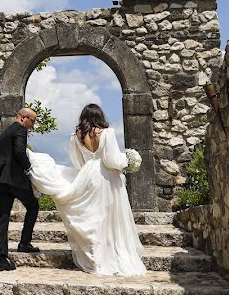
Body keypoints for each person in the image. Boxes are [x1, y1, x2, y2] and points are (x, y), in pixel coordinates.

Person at [27, 103, 146, 276]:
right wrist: (126, 161)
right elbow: (112, 160)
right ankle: (110, 254)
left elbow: (77, 161)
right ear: (100, 115)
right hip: (107, 176)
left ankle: (94, 256)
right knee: (109, 217)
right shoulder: (107, 133)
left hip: (87, 174)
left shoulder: (76, 136)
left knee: (93, 215)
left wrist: (86, 172)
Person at [0, 107, 40, 271]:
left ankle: (1, 258)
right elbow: (19, 151)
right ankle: (24, 243)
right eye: (32, 121)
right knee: (33, 206)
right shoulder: (20, 130)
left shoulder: (6, 131)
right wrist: (28, 168)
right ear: (24, 118)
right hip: (14, 180)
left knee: (2, 216)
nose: (32, 125)